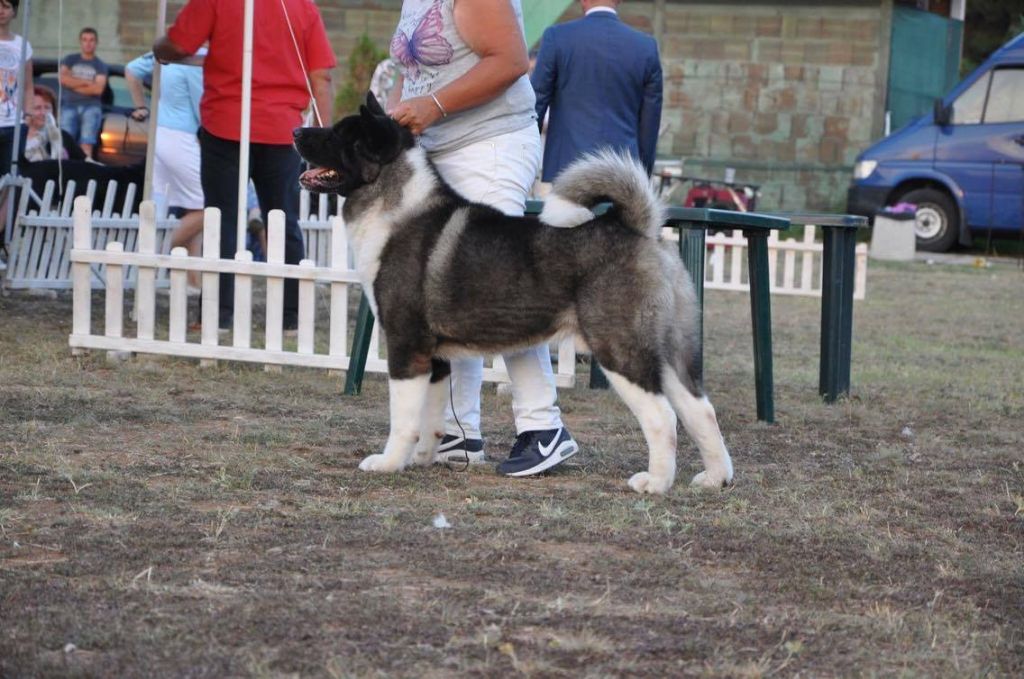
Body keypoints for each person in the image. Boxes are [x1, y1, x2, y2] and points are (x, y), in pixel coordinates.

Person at [387, 0, 578, 476]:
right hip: (437, 148)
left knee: (498, 283)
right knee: (448, 292)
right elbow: (414, 70)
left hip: (490, 146)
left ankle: (542, 426)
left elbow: (511, 62)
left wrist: (430, 106)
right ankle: (455, 433)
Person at [153, 0, 335, 332]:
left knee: (222, 219)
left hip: (226, 124)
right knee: (283, 220)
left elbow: (178, 44)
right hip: (282, 128)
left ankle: (220, 313)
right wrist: (324, 140)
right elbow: (321, 76)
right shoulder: (302, 6)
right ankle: (290, 316)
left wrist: (158, 45)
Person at [531, 0, 663, 184]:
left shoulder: (558, 37)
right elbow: (649, 124)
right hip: (623, 170)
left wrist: (524, 159)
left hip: (567, 167)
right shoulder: (646, 47)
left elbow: (535, 104)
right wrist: (643, 174)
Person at [125, 49, 206, 290]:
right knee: (208, 208)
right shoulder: (197, 57)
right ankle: (160, 251)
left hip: (159, 131)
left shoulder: (168, 49)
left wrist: (141, 105)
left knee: (193, 209)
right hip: (182, 136)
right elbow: (202, 104)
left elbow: (131, 70)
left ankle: (192, 281)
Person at [59, 27, 109, 160]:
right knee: (65, 142)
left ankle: (84, 173)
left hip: (91, 107)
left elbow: (97, 90)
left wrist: (72, 83)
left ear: (97, 43)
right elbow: (62, 79)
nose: (88, 43)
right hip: (69, 105)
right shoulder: (70, 59)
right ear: (80, 42)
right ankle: (64, 173)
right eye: (85, 40)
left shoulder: (100, 65)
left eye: (92, 40)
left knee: (87, 143)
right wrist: (87, 83)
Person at [0, 0, 31, 177]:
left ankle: (6, 207)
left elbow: (28, 86)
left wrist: (27, 116)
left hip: (13, 123)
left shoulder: (22, 44)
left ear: (14, 11)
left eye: (6, 6)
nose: (1, 11)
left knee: (9, 177)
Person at [23, 85, 86, 162]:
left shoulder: (63, 136)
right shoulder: (17, 138)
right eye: (37, 108)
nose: (43, 113)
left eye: (47, 107)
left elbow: (84, 161)